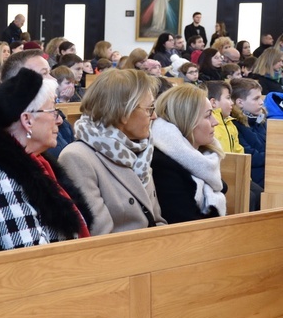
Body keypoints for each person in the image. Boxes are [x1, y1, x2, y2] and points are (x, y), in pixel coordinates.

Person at [0, 69, 91, 251]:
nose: (58, 120)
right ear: (27, 120)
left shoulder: (37, 161)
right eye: (53, 110)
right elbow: (29, 256)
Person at [58, 69, 166, 235]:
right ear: (124, 113)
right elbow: (101, 235)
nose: (154, 116)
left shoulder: (140, 149)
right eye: (149, 109)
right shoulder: (77, 157)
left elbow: (157, 220)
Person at [151, 84, 226, 223]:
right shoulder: (162, 166)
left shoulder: (205, 156)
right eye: (208, 115)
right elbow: (186, 225)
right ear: (187, 120)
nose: (215, 122)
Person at [230, 77, 266, 188]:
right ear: (240, 102)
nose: (261, 102)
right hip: (255, 176)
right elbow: (251, 156)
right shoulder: (235, 125)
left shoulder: (260, 119)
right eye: (256, 99)